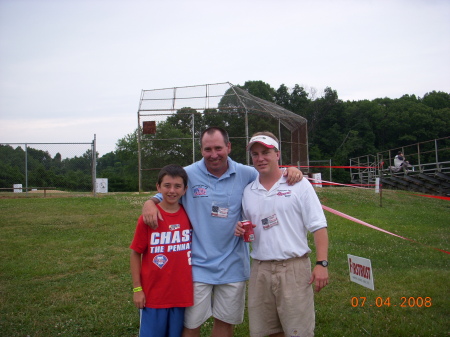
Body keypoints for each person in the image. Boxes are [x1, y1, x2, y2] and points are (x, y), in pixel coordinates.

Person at [142, 127, 303, 337]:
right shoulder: (189, 174)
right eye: (207, 149)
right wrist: (150, 202)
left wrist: (290, 169)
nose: (213, 154)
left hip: (233, 266)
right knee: (190, 325)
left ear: (228, 147)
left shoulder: (246, 173)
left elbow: (270, 173)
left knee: (225, 324)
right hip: (196, 266)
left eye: (218, 148)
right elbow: (167, 191)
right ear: (201, 150)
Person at [235, 131, 329, 337]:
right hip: (260, 270)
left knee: (298, 331)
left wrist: (322, 264)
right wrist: (239, 228)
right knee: (265, 331)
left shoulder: (298, 184)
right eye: (255, 154)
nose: (260, 158)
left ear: (277, 154)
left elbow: (319, 226)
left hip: (293, 268)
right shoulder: (248, 190)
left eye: (266, 152)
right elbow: (245, 225)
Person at [130, 164, 193, 337]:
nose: (172, 191)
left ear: (185, 189)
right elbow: (136, 253)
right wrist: (137, 289)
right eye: (167, 185)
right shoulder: (149, 217)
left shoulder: (189, 215)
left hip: (180, 296)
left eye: (177, 186)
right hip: (153, 296)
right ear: (158, 187)